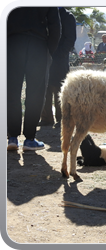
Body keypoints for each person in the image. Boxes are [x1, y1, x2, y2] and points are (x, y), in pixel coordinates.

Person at [7, 7, 61, 151]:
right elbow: (55, 26)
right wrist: (48, 50)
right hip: (38, 44)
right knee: (36, 94)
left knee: (11, 91)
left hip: (12, 43)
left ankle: (12, 137)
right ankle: (29, 139)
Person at [39, 7, 76, 128]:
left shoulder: (67, 16)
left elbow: (70, 38)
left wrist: (60, 53)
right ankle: (46, 118)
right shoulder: (45, 13)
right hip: (45, 56)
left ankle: (62, 118)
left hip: (60, 59)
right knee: (45, 88)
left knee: (60, 89)